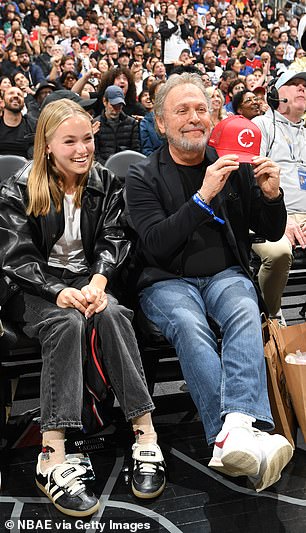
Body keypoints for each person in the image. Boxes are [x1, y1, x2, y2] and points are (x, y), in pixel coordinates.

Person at [126, 72, 293, 493]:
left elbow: (269, 232)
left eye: (201, 109)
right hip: (166, 281)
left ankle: (233, 430)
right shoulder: (142, 176)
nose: (194, 118)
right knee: (188, 325)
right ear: (161, 123)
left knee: (242, 309)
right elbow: (155, 246)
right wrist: (201, 198)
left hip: (224, 273)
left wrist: (272, 196)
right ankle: (241, 432)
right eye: (181, 110)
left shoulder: (231, 162)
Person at [0, 99, 166, 517]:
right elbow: (16, 258)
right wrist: (57, 291)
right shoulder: (19, 187)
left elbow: (114, 238)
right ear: (47, 146)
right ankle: (52, 454)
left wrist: (98, 281)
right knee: (66, 323)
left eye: (87, 139)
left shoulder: (105, 180)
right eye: (69, 141)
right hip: (32, 288)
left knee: (112, 313)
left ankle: (145, 436)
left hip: (86, 280)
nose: (82, 149)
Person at [252, 71, 306, 318]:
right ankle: (269, 316)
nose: (302, 89)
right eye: (294, 84)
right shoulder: (261, 126)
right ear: (275, 94)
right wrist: (280, 221)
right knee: (279, 253)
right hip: (270, 216)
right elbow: (249, 183)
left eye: (305, 85)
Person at [94, 85, 140, 165]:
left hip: (126, 167)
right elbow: (95, 154)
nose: (116, 110)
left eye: (119, 106)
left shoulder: (132, 123)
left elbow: (136, 151)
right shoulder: (95, 125)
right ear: (105, 101)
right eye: (113, 105)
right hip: (103, 169)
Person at [0, 86, 35, 158]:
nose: (16, 96)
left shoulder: (34, 126)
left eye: (19, 95)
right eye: (11, 93)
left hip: (28, 167)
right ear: (2, 103)